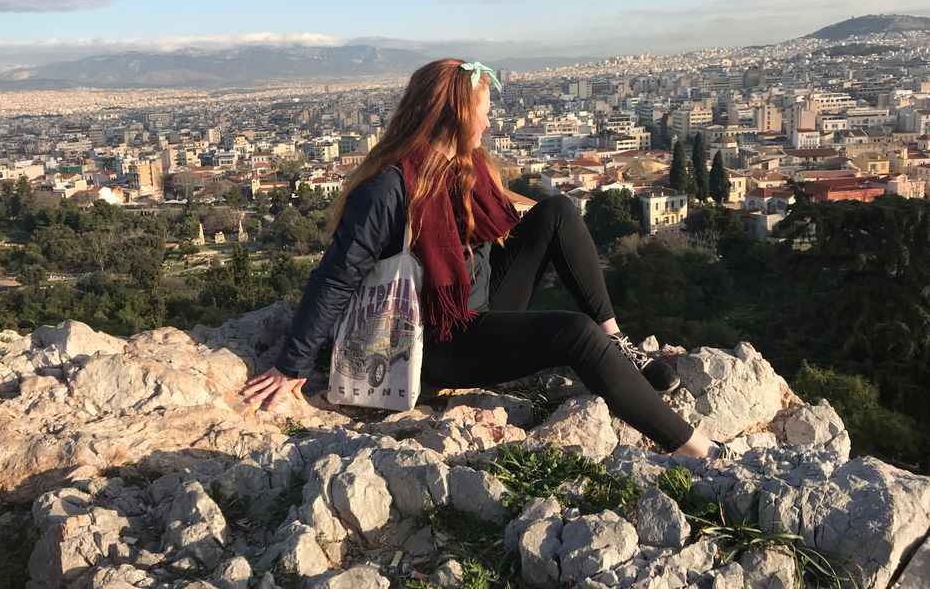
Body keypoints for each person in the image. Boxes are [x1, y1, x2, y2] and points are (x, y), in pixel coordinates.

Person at [242, 58, 725, 458]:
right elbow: (335, 276)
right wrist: (292, 365)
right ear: (453, 115)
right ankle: (699, 451)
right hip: (437, 340)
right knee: (573, 332)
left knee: (557, 211)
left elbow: (507, 222)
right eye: (483, 113)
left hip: (478, 307)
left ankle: (616, 341)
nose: (490, 123)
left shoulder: (464, 165)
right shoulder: (389, 188)